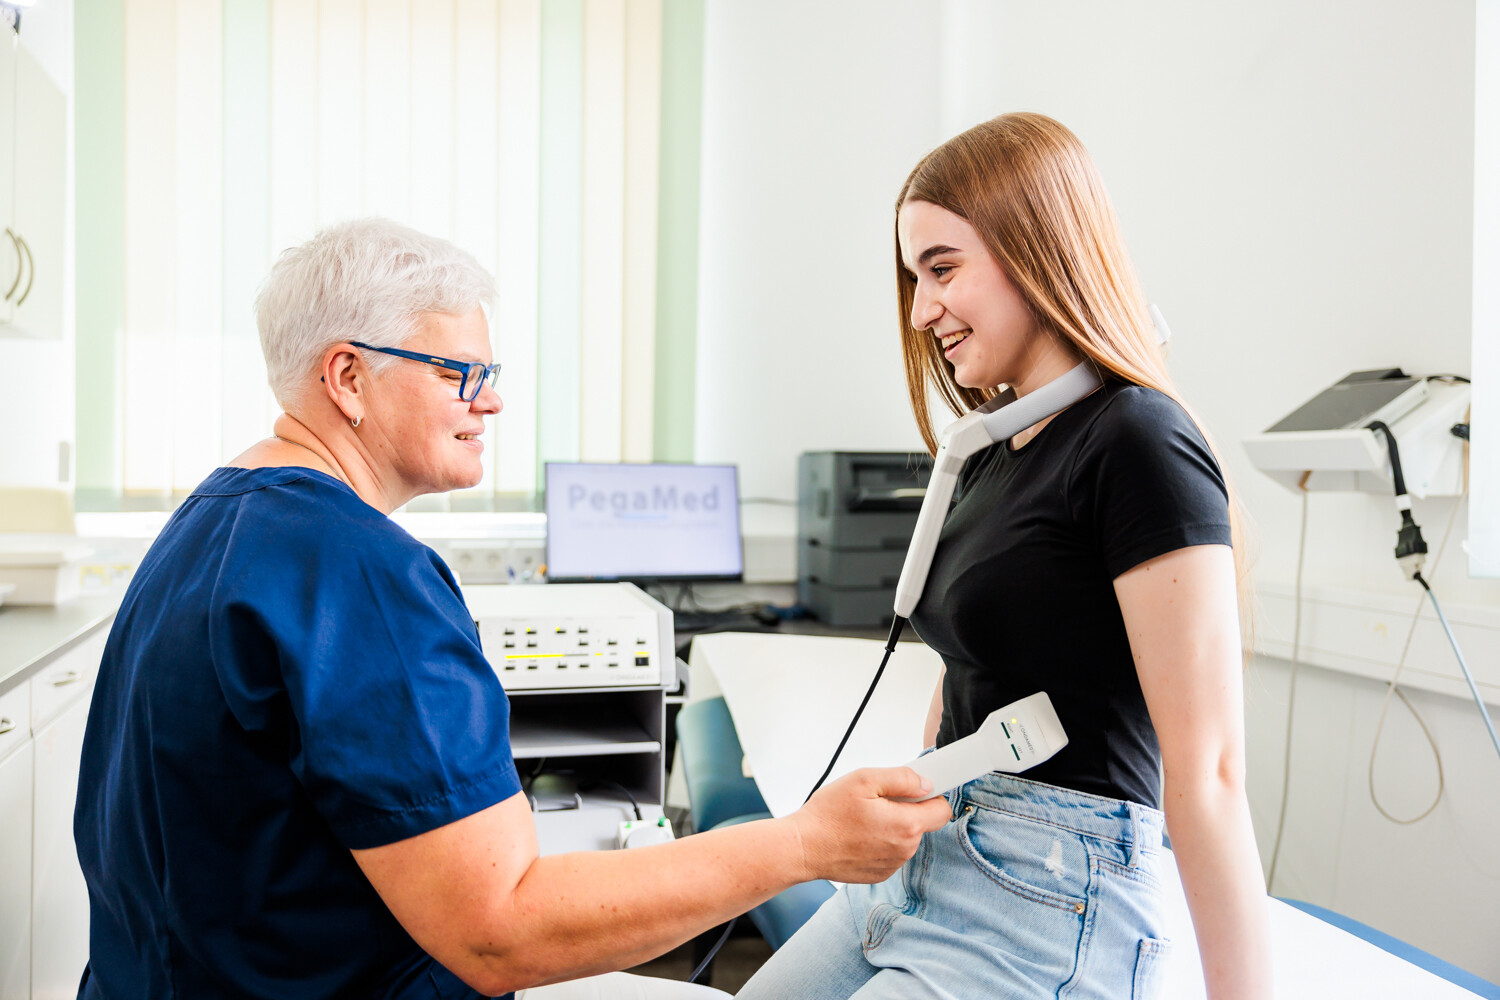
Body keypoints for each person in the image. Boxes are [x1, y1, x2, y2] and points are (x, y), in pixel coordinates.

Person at [73, 218, 954, 1000]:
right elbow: (501, 931)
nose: (490, 400)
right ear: (346, 375)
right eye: (461, 372)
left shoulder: (208, 523)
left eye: (488, 373)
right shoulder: (361, 572)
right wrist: (801, 844)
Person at [737, 113, 1274, 999]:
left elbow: (1211, 771)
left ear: (1038, 249)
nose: (921, 311)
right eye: (915, 278)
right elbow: (965, 674)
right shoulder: (991, 451)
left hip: (1053, 889)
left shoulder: (1138, 440)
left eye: (943, 269)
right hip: (933, 853)